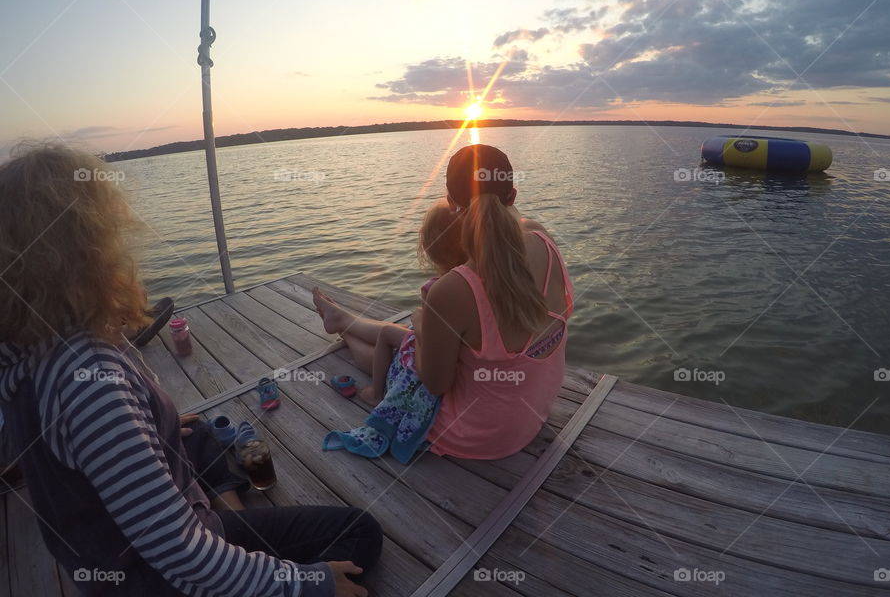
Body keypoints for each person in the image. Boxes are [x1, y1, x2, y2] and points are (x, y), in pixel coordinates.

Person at [0, 143, 381, 597]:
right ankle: (246, 557)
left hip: (107, 561)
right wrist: (307, 584)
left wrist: (148, 430)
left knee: (195, 434)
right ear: (85, 246)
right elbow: (182, 553)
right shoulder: (89, 383)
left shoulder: (26, 354)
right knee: (360, 532)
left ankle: (240, 536)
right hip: (162, 578)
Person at [315, 144, 573, 460]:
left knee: (405, 359)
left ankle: (345, 330)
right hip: (533, 414)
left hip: (478, 435)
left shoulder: (454, 288)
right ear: (513, 195)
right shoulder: (544, 239)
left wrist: (422, 324)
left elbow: (434, 385)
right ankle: (344, 321)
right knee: (413, 336)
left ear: (451, 202)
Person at [319, 200, 465, 463]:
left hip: (431, 374)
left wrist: (419, 321)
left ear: (428, 248)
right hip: (447, 356)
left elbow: (428, 350)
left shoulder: (439, 289)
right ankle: (342, 322)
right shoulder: (473, 279)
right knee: (400, 335)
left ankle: (372, 385)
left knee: (390, 345)